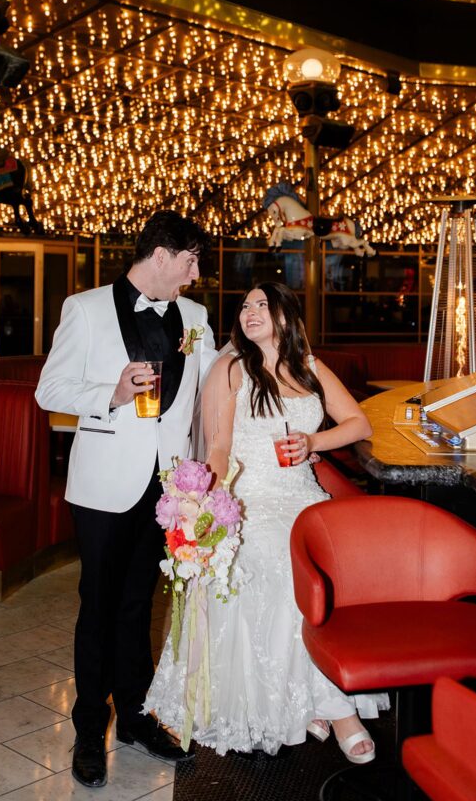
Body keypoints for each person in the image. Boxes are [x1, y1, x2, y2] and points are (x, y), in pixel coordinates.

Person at [145, 282, 389, 759]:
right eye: (246, 306)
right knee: (284, 564)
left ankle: (308, 703)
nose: (251, 311)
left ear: (286, 317)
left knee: (343, 569)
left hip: (305, 498)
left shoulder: (310, 367)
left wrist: (313, 443)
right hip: (250, 500)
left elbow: (359, 424)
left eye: (263, 304)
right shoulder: (232, 369)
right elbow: (217, 446)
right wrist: (204, 511)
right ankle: (340, 712)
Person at [35, 211, 217, 788]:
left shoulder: (196, 317)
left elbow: (214, 385)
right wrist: (110, 392)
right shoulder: (84, 309)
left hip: (167, 486)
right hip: (104, 483)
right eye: (190, 260)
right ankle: (90, 727)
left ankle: (135, 717)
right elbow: (49, 390)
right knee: (99, 604)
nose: (195, 274)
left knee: (140, 604)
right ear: (161, 255)